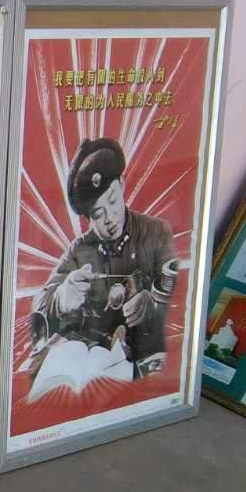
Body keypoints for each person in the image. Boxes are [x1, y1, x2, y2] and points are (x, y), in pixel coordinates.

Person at [30, 138, 177, 376]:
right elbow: (40, 302)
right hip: (96, 366)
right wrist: (61, 298)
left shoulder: (157, 232)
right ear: (87, 218)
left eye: (113, 200)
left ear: (122, 184)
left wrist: (152, 304)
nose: (110, 218)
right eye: (98, 213)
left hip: (147, 366)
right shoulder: (79, 250)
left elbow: (183, 298)